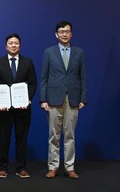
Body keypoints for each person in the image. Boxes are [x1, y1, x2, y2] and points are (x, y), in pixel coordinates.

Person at [40, 21, 88, 179]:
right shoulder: (49, 52)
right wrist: (43, 99)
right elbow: (44, 78)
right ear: (56, 34)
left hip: (73, 99)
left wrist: (83, 98)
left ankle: (70, 167)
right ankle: (53, 167)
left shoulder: (79, 52)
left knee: (70, 135)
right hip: (53, 99)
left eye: (67, 31)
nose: (64, 34)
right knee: (54, 135)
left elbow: (83, 77)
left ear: (71, 34)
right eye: (61, 31)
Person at [0, 34, 37, 179]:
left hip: (23, 109)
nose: (13, 45)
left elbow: (33, 83)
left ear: (20, 45)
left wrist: (28, 99)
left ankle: (21, 168)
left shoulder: (28, 62)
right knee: (4, 139)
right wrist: (0, 102)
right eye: (10, 43)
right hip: (4, 109)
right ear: (6, 46)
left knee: (21, 139)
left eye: (16, 43)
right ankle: (3, 168)